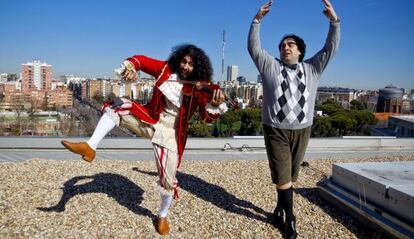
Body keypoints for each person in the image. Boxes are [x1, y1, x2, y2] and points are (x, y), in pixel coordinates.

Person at [61, 44, 227, 236]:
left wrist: (214, 104)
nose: (186, 67)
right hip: (151, 118)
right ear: (178, 59)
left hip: (171, 132)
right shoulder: (166, 69)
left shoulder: (201, 87)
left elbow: (206, 118)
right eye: (183, 61)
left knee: (168, 180)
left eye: (191, 64)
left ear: (197, 67)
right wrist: (130, 67)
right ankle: (90, 147)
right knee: (119, 105)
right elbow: (141, 60)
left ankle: (162, 216)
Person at [247, 0, 340, 238]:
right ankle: (290, 219)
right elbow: (254, 48)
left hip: (303, 130)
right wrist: (257, 20)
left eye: (291, 45)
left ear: (300, 51)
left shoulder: (313, 68)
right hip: (275, 129)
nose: (286, 47)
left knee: (289, 176)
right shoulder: (270, 67)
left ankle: (279, 209)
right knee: (283, 176)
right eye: (283, 46)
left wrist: (334, 22)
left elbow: (330, 49)